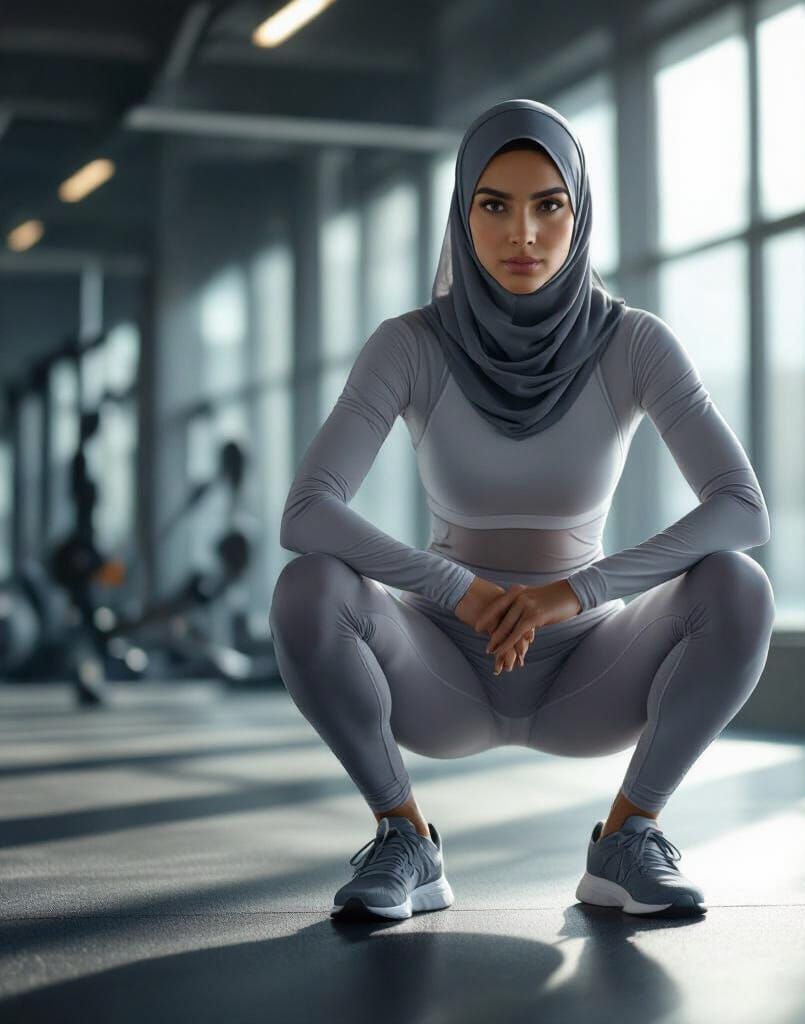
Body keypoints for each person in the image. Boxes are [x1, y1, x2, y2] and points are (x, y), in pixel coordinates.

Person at [269, 98, 775, 922]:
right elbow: (307, 513)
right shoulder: (409, 344)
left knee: (740, 585)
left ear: (580, 213)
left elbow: (742, 509)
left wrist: (573, 593)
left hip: (590, 671)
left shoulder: (635, 341)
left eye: (549, 205)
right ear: (462, 213)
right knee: (307, 588)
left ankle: (628, 837)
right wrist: (456, 590)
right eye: (495, 205)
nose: (524, 234)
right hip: (439, 669)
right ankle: (404, 838)